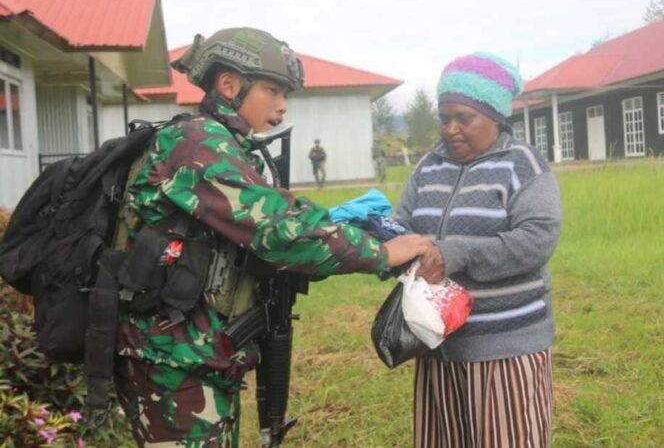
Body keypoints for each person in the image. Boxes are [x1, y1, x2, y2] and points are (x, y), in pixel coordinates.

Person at [112, 27, 430, 447]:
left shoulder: (224, 144)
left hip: (197, 353)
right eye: (273, 90)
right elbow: (278, 229)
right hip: (170, 360)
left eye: (286, 94)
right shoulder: (195, 142)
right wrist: (382, 252)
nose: (282, 105)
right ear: (229, 84)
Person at [394, 52, 562, 447]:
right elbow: (404, 223)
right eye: (444, 117)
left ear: (496, 117)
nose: (450, 129)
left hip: (504, 346)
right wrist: (386, 241)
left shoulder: (521, 164)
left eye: (463, 118)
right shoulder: (428, 166)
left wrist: (455, 253)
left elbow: (537, 240)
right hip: (436, 343)